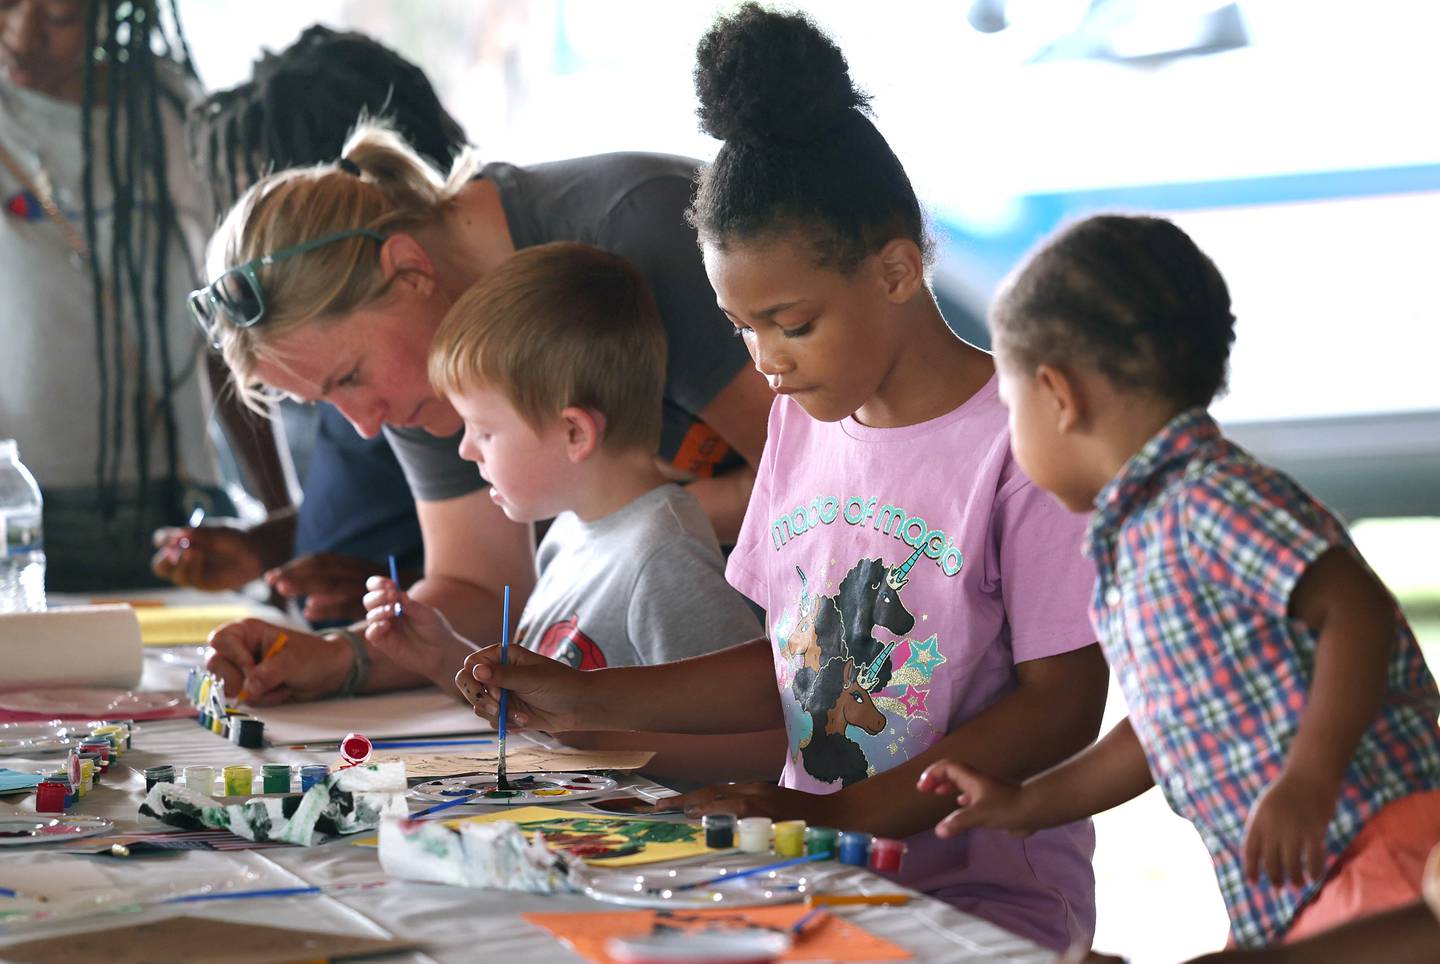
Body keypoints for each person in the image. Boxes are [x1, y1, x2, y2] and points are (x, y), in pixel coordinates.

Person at [454, 4, 1109, 951]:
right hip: (813, 873)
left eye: (792, 323)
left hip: (982, 903)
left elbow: (1064, 702)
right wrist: (587, 699)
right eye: (742, 327)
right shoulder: (804, 426)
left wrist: (848, 817)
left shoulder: (1018, 444)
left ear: (895, 270)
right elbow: (793, 665)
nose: (767, 360)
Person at [916, 214, 1440, 949]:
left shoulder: (1207, 500)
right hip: (1305, 879)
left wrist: (1309, 777)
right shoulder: (1141, 537)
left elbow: (1356, 611)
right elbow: (1163, 727)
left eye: (1010, 406)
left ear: (1058, 396)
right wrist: (1031, 801)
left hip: (1374, 847)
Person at [197, 119, 773, 702]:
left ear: (409, 270)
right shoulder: (424, 354)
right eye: (325, 401)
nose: (366, 423)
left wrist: (620, 516)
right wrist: (337, 655)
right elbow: (478, 582)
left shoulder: (641, 230)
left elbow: (820, 488)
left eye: (349, 377)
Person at [362, 241, 780, 781]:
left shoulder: (663, 556)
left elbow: (759, 750)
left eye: (484, 431)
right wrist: (444, 655)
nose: (465, 450)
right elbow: (535, 717)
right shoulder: (567, 533)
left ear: (574, 432)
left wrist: (587, 737)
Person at [153, 25, 469, 624]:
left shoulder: (422, 333)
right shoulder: (337, 343)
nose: (256, 230)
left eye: (275, 193)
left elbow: (526, 527)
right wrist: (267, 545)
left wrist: (406, 595)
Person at [0, 0, 240, 591]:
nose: (21, 36)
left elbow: (226, 316)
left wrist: (286, 517)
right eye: (4, 5)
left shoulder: (167, 113)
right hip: (17, 505)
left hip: (173, 507)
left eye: (58, 18)